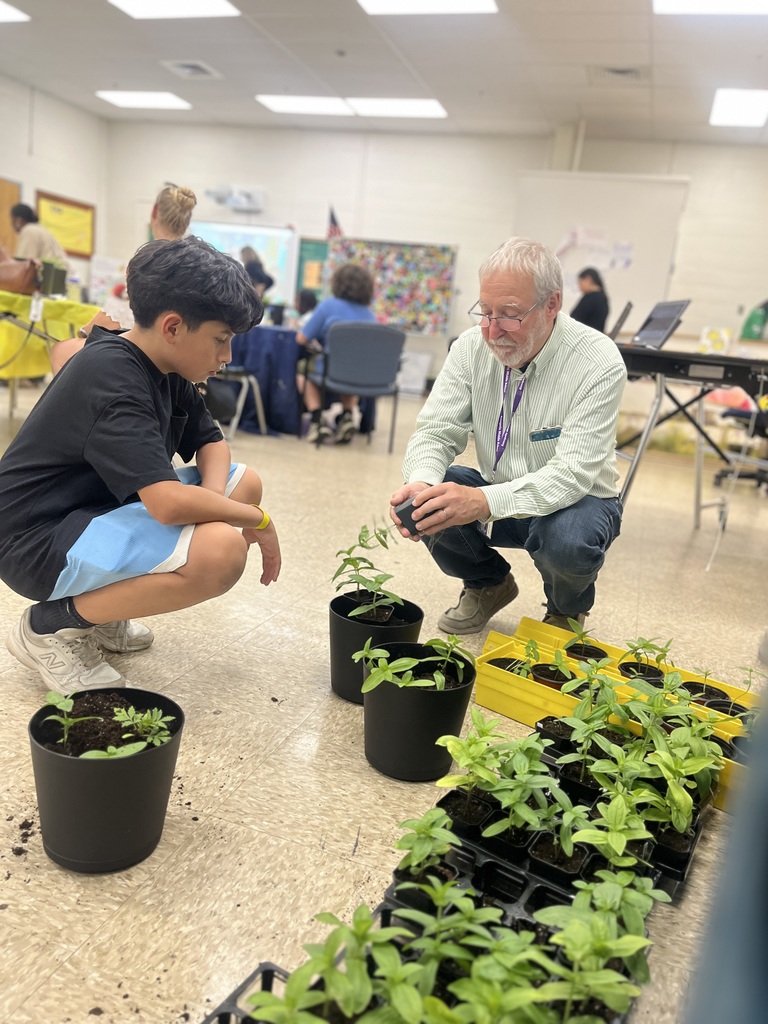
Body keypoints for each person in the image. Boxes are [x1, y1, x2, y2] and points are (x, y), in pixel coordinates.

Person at [0, 236, 281, 694]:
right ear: (173, 327)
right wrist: (258, 521)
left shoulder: (166, 363)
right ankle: (51, 626)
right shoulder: (113, 375)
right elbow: (168, 505)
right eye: (221, 340)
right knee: (220, 552)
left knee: (243, 483)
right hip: (35, 541)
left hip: (93, 513)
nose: (226, 358)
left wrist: (214, 504)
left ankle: (101, 612)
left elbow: (212, 443)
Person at [389, 237, 627, 635]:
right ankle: (488, 584)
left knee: (568, 541)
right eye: (485, 312)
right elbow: (435, 430)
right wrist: (421, 483)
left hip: (577, 500)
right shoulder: (469, 348)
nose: (491, 330)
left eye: (510, 315)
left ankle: (565, 609)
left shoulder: (597, 361)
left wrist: (481, 500)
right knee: (429, 498)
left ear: (552, 304)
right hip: (499, 487)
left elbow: (572, 475)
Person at [49, 185, 198, 374]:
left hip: (139, 352)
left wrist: (86, 330)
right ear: (187, 218)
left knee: (61, 352)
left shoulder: (146, 260)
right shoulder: (194, 264)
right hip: (177, 353)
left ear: (154, 212)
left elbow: (121, 316)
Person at [296, 263, 377, 445]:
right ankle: (347, 416)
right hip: (361, 375)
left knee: (304, 370)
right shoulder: (370, 314)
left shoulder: (328, 306)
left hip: (331, 369)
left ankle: (317, 421)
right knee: (350, 371)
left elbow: (301, 339)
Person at [570, 267, 609, 333]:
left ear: (588, 279)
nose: (579, 288)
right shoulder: (603, 297)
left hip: (585, 338)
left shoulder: (591, 298)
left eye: (580, 283)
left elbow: (575, 319)